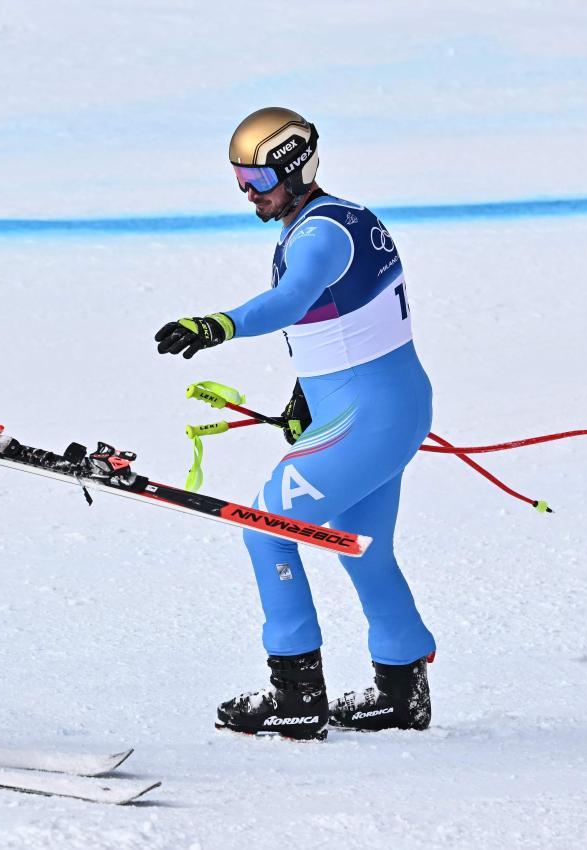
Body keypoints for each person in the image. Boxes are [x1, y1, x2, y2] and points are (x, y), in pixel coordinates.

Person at [154, 108, 436, 740]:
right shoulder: (342, 218)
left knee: (266, 531)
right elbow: (338, 318)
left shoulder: (316, 237)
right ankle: (400, 688)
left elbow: (292, 300)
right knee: (363, 546)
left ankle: (296, 696)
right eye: (237, 177)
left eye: (255, 178)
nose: (246, 192)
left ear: (292, 168)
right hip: (381, 405)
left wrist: (217, 325)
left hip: (366, 413)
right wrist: (305, 393)